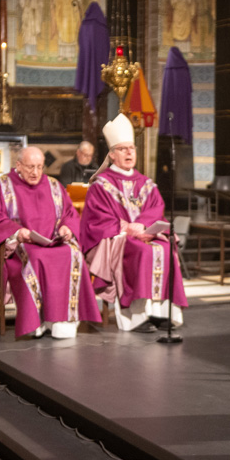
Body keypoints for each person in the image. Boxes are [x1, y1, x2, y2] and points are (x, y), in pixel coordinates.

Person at [80, 113, 188, 332]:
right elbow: (96, 218)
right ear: (112, 155)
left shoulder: (146, 183)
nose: (129, 152)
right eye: (123, 149)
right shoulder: (101, 185)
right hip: (117, 238)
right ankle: (136, 316)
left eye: (132, 148)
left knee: (166, 249)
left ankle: (161, 313)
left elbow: (156, 208)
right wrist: (127, 228)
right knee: (142, 251)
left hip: (146, 234)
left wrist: (143, 226)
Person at [0, 146, 101, 339]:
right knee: (35, 257)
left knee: (74, 254)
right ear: (19, 165)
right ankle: (37, 322)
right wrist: (17, 231)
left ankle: (62, 321)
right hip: (21, 245)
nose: (35, 172)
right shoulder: (2, 186)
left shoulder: (53, 185)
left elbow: (69, 213)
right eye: (30, 167)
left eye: (39, 167)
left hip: (53, 242)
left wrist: (67, 228)